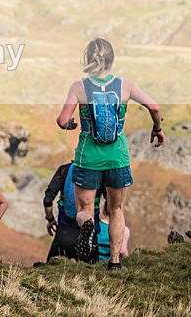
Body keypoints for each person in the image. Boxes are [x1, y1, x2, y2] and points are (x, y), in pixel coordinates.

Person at [56, 37, 164, 271]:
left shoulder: (79, 87)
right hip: (117, 158)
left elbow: (62, 120)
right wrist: (158, 128)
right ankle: (115, 263)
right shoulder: (126, 86)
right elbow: (154, 107)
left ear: (87, 59)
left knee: (84, 210)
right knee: (116, 209)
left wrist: (70, 126)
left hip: (88, 158)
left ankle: (87, 226)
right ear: (112, 59)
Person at [43, 160, 105, 262]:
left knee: (50, 273)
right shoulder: (100, 173)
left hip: (64, 233)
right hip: (89, 238)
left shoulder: (64, 170)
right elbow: (111, 203)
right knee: (90, 274)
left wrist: (50, 219)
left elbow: (47, 199)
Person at [98, 199, 130, 263]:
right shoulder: (124, 230)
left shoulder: (96, 225)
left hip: (93, 263)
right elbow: (123, 251)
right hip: (109, 264)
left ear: (104, 210)